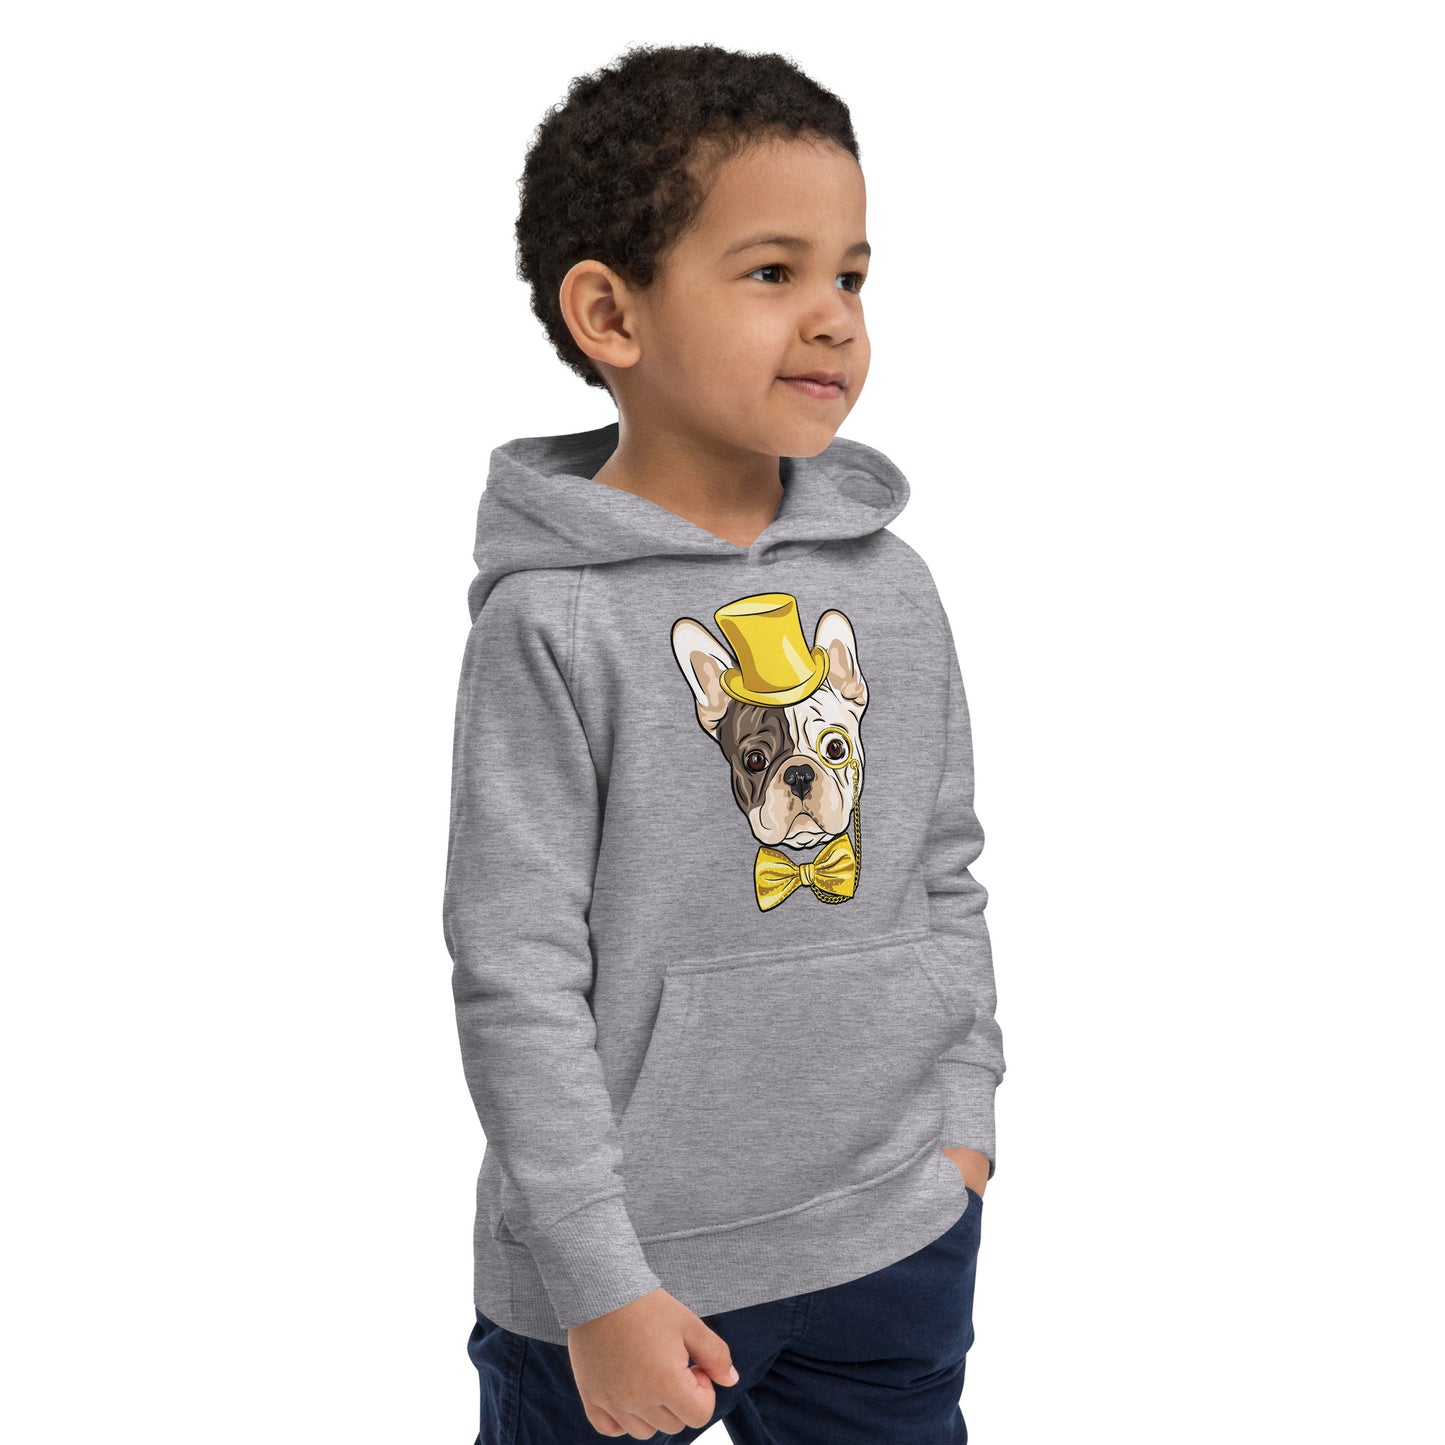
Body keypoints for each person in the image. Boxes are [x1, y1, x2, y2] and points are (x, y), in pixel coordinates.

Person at [443, 42, 1007, 1443]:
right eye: (771, 271)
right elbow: (516, 970)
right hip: (627, 1275)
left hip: (892, 1233)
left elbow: (941, 867)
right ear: (609, 314)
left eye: (851, 276)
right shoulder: (553, 622)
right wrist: (597, 1281)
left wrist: (963, 1126)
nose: (831, 319)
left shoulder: (891, 584)